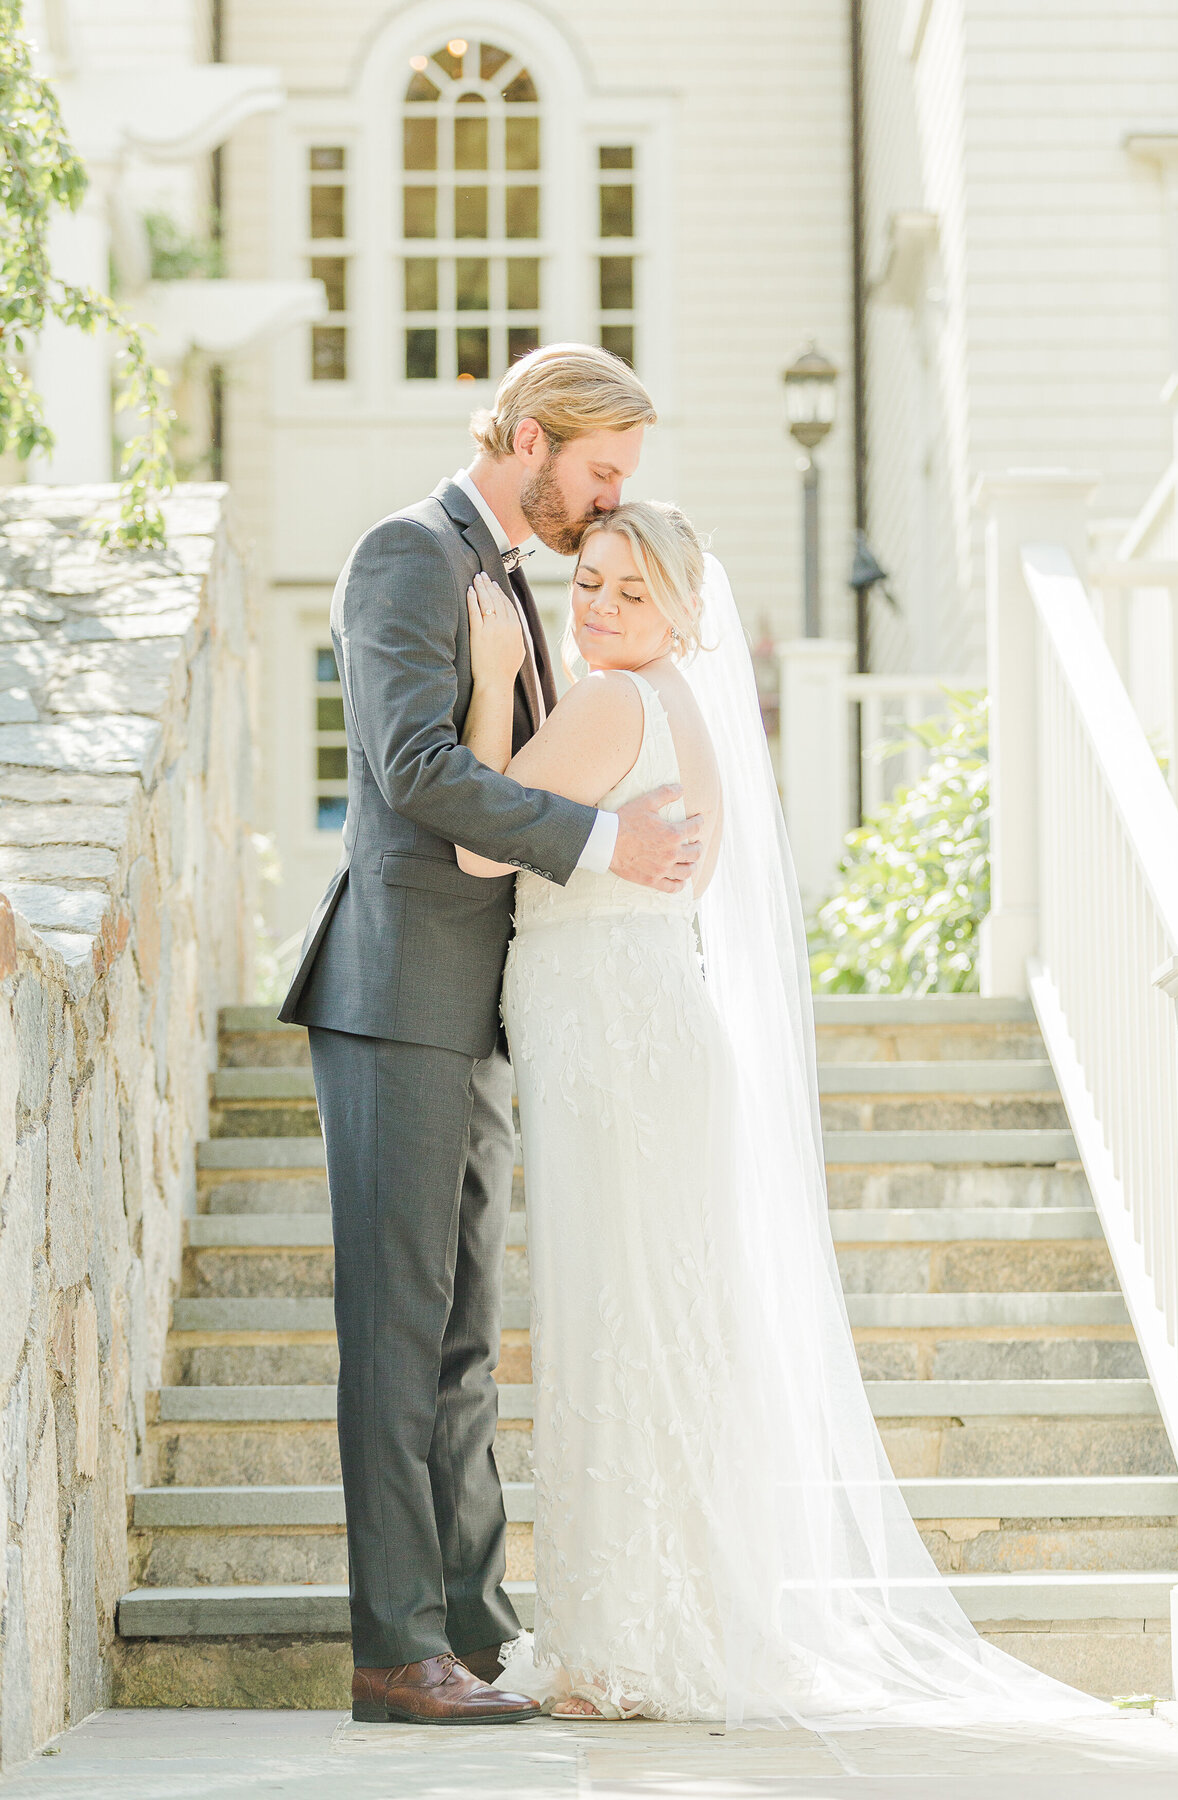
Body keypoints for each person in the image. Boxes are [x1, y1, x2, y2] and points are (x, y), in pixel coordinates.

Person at [455, 500, 1111, 1729]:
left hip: (612, 1042)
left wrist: (495, 683)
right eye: (587, 582)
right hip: (645, 1027)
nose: (598, 607)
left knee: (618, 1325)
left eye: (630, 593)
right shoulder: (692, 709)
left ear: (684, 610)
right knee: (654, 1325)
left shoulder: (610, 703)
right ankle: (661, 1627)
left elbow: (482, 850)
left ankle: (617, 1647)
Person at [278, 346, 703, 1726]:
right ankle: (396, 1651)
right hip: (397, 998)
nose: (612, 497)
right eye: (602, 470)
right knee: (402, 1334)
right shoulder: (407, 553)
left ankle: (472, 1627)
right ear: (528, 437)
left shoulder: (514, 583)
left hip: (485, 1012)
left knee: (464, 1340)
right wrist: (599, 839)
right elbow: (412, 770)